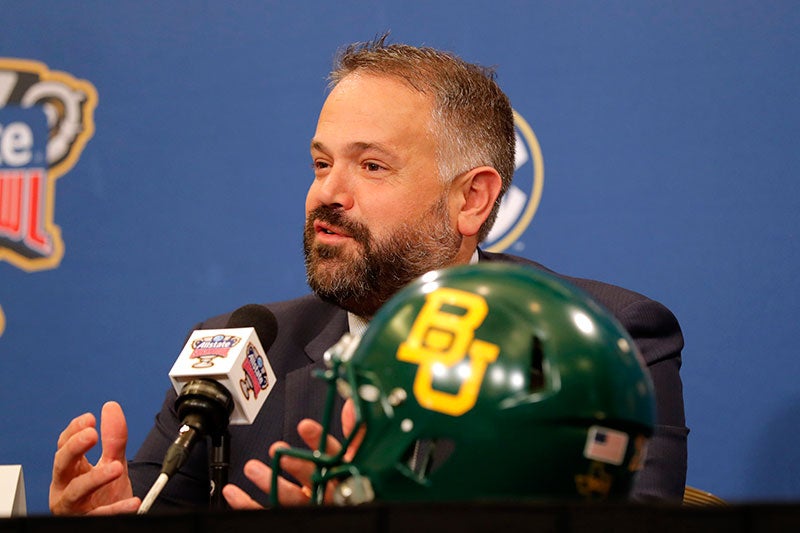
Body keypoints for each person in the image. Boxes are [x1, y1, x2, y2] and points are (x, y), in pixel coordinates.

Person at [49, 36, 688, 514]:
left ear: (471, 200)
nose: (327, 193)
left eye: (372, 166)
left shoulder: (601, 344)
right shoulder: (242, 346)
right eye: (321, 163)